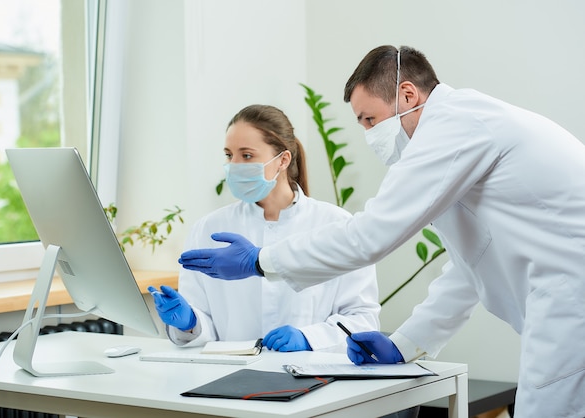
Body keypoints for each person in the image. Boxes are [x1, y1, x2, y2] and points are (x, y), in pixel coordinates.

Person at [178, 45, 585, 418]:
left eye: (369, 118)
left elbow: (369, 236)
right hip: (562, 301)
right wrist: (406, 343)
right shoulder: (466, 133)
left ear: (408, 95)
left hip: (572, 302)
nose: (369, 134)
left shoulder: (458, 126)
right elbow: (468, 268)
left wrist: (260, 261)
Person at [149, 104, 381, 353]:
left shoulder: (335, 224)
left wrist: (310, 338)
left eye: (246, 156)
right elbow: (204, 326)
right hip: (230, 379)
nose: (234, 165)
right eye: (229, 155)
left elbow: (362, 319)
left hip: (311, 375)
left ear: (282, 160)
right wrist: (190, 323)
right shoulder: (208, 229)